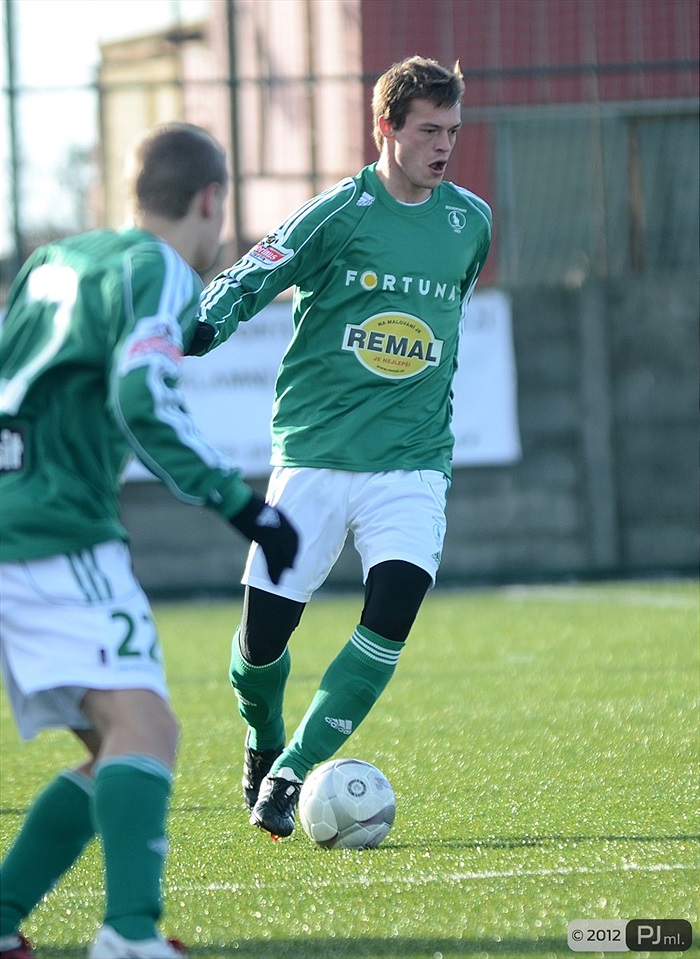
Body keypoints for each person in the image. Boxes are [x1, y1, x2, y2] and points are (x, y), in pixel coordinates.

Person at [0, 122, 298, 959]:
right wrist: (246, 509)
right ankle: (130, 935)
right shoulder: (158, 269)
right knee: (147, 729)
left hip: (15, 516)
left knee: (114, 746)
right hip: (54, 532)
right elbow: (141, 395)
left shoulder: (54, 260)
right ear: (212, 202)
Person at [192, 55, 492, 839]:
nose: (443, 147)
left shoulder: (471, 224)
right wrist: (201, 325)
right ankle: (263, 736)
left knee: (392, 612)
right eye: (428, 130)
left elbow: (447, 326)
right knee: (262, 647)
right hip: (318, 454)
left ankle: (290, 773)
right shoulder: (340, 212)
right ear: (385, 127)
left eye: (452, 132)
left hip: (414, 461)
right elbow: (258, 269)